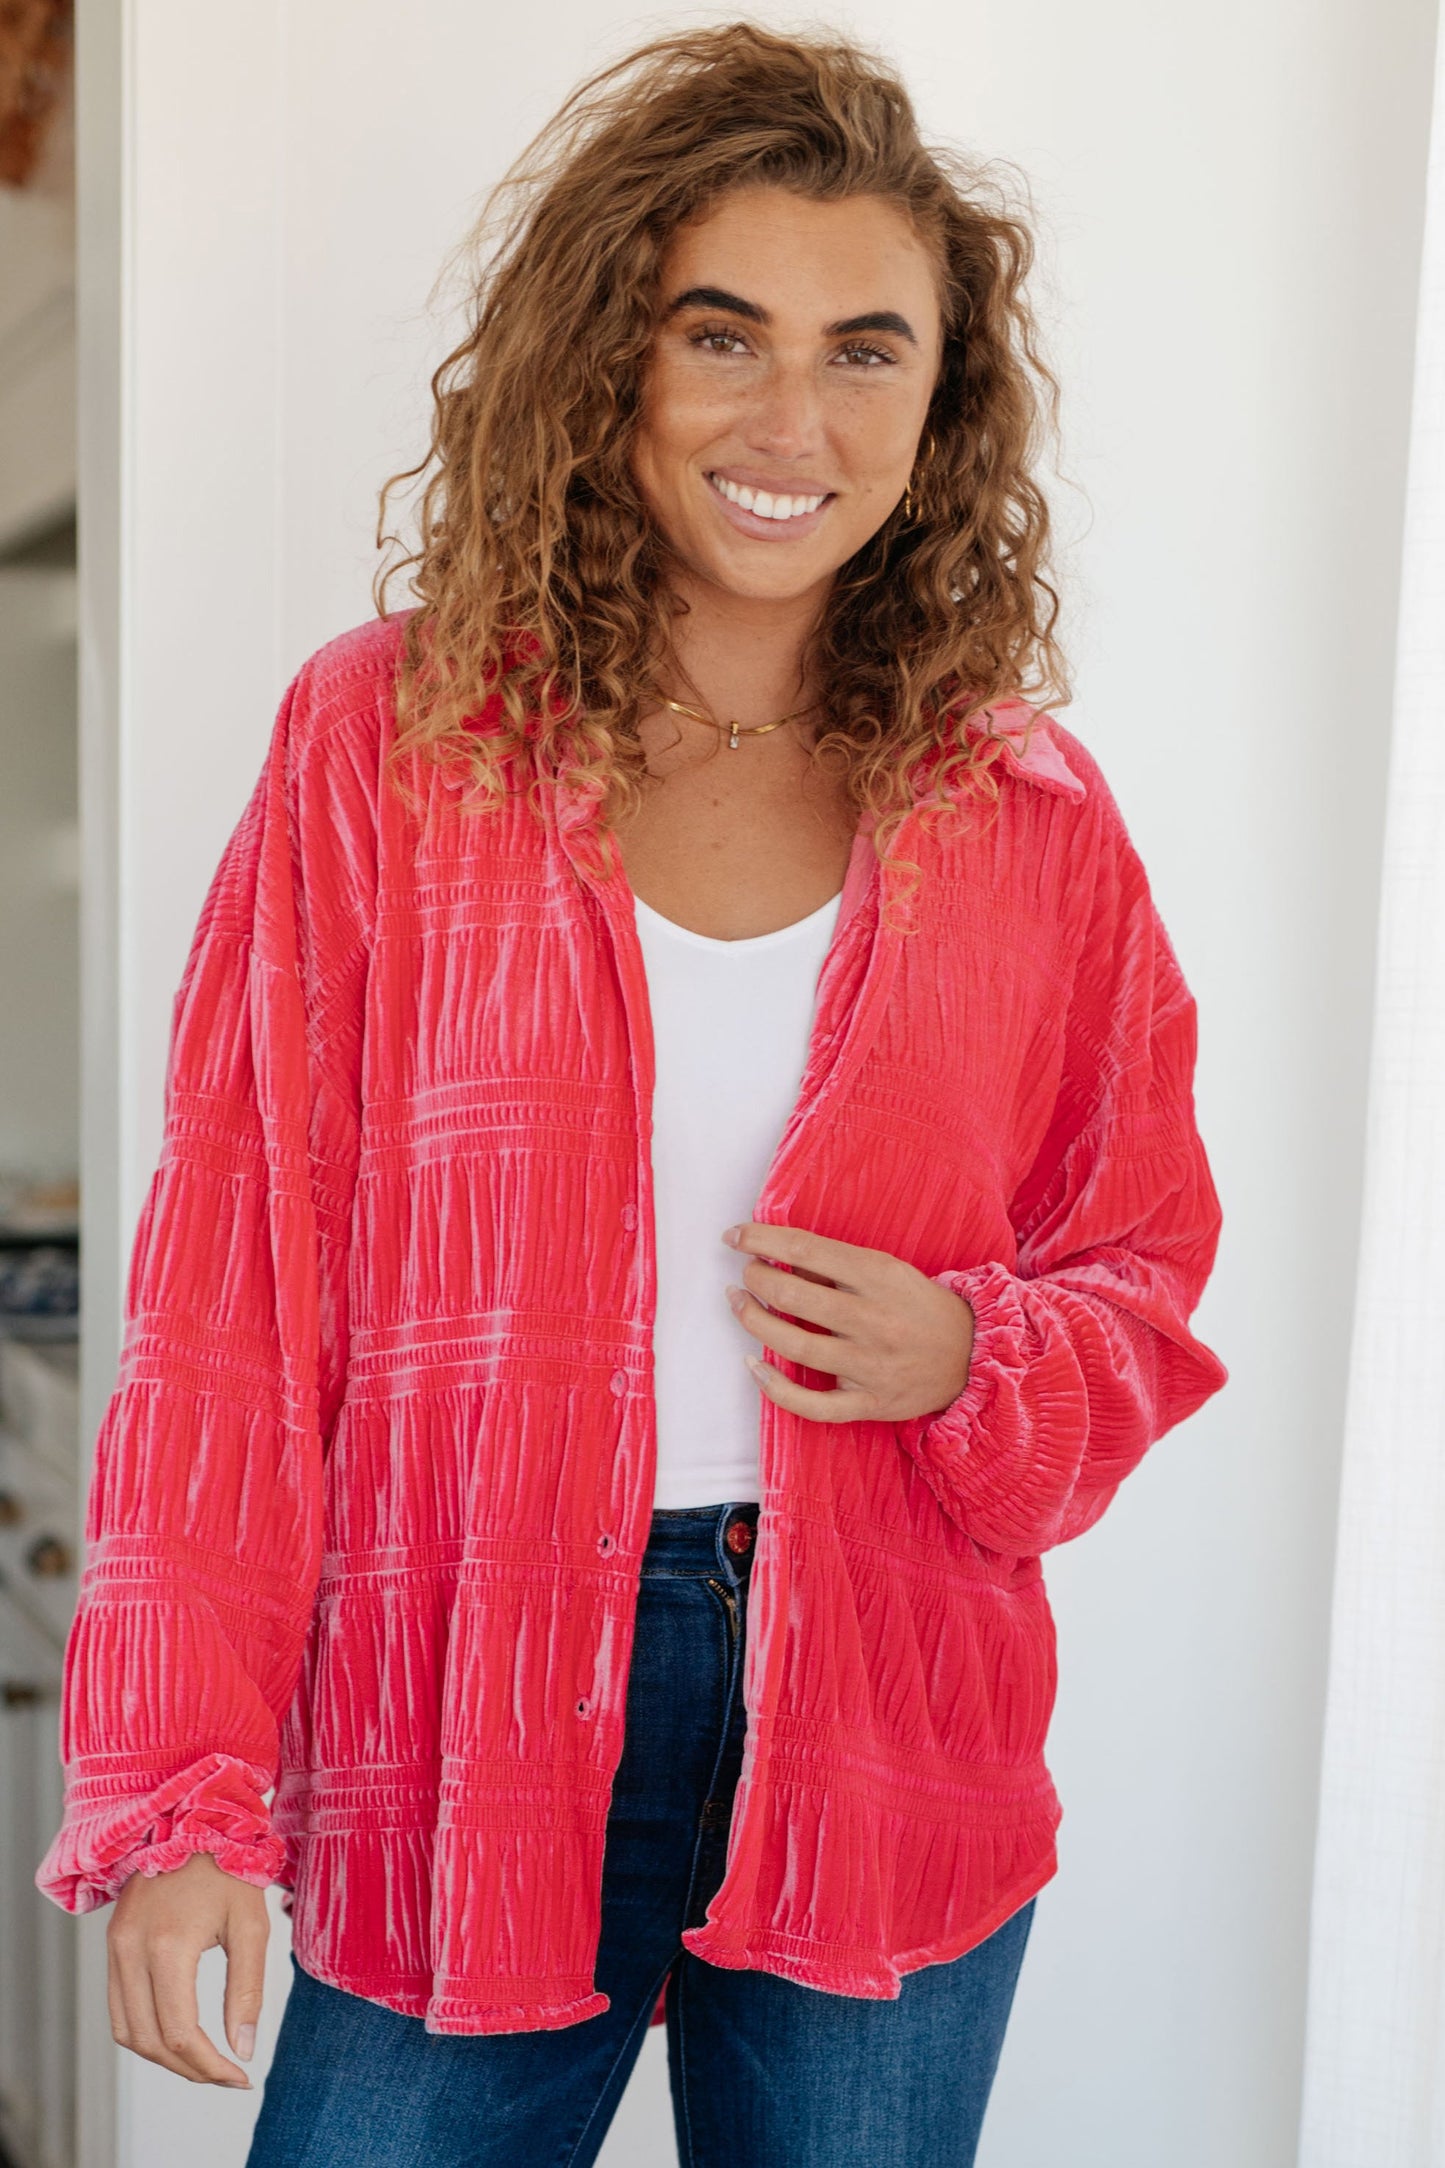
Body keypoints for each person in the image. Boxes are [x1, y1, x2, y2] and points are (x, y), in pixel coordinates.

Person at [35, 21, 1228, 2166]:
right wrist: (179, 1794)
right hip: (465, 1716)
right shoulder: (388, 746)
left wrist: (974, 1353)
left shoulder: (1027, 817)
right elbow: (234, 1302)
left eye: (865, 352)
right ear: (612, 360)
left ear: (940, 403)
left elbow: (1145, 1276)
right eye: (722, 334)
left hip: (883, 1742)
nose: (793, 420)